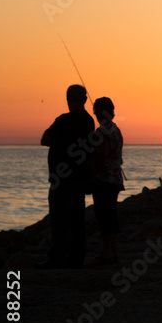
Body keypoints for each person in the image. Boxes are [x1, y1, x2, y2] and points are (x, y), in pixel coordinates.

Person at [39, 84, 96, 268]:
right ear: (85, 100)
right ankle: (76, 258)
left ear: (67, 98)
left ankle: (57, 258)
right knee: (77, 220)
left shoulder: (63, 120)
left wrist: (60, 144)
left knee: (59, 219)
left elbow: (44, 139)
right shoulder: (89, 121)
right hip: (80, 177)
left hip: (62, 178)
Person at [89, 97, 124, 265]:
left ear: (97, 113)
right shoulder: (116, 130)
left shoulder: (101, 132)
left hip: (104, 180)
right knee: (112, 215)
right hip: (116, 178)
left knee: (103, 216)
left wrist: (91, 177)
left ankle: (106, 253)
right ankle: (114, 252)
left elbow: (101, 157)